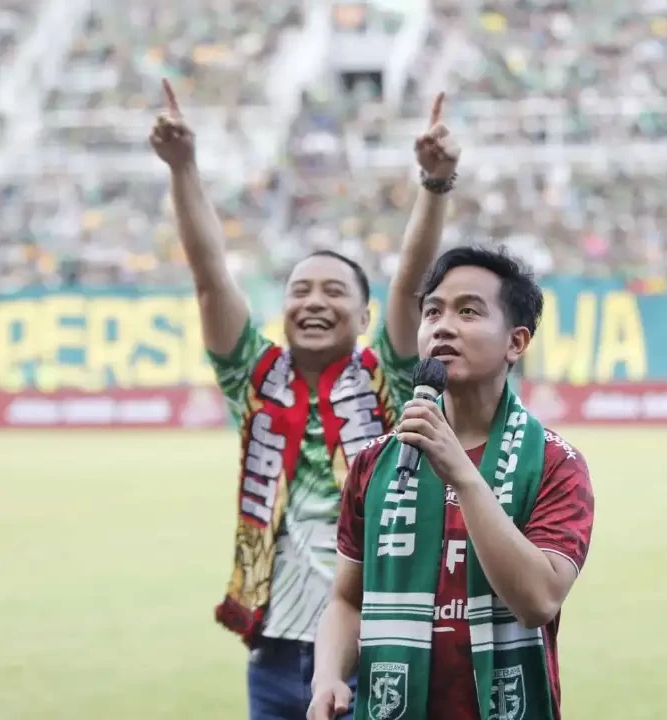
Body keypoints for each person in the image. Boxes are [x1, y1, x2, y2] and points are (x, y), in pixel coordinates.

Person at [149, 79, 462, 720]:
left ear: (364, 313)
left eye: (333, 291)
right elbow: (210, 277)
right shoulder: (253, 377)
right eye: (300, 290)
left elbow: (410, 287)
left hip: (375, 641)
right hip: (274, 648)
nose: (314, 301)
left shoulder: (389, 378)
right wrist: (183, 168)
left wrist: (433, 187)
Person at [308, 246, 596, 720]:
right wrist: (328, 677)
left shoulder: (555, 464)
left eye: (468, 311)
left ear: (516, 342)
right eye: (432, 311)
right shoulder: (374, 465)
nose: (443, 325)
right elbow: (346, 599)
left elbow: (538, 601)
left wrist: (462, 473)